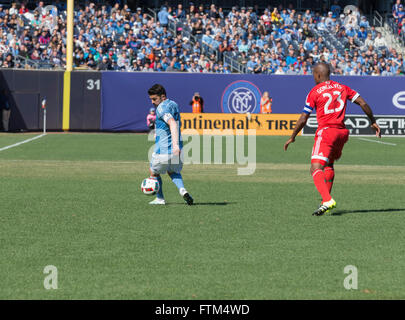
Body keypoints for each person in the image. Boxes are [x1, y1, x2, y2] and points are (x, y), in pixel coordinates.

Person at [283, 62, 381, 216]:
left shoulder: (314, 92)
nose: (313, 77)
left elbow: (303, 118)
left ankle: (327, 199)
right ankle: (324, 203)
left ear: (319, 75)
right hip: (341, 133)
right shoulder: (343, 87)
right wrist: (373, 121)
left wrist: (292, 136)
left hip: (327, 132)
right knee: (328, 165)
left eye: (314, 74)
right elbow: (363, 102)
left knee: (315, 168)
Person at [147, 84, 193, 205]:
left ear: (162, 96)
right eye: (151, 99)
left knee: (153, 172)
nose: (152, 102)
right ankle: (182, 190)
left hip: (164, 149)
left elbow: (172, 123)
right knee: (173, 172)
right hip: (178, 150)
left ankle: (160, 198)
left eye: (154, 99)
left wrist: (175, 145)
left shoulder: (161, 108)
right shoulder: (174, 104)